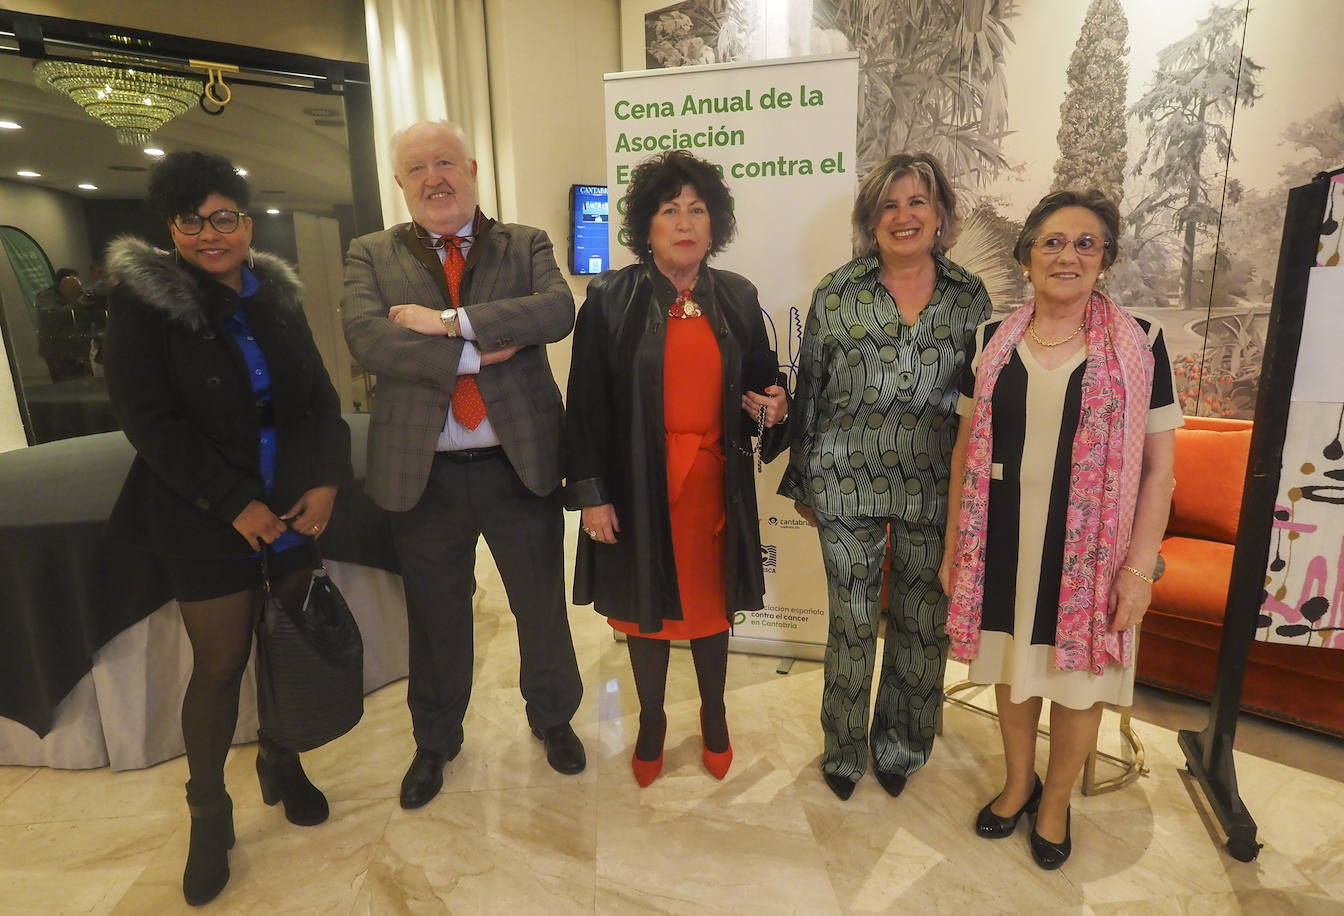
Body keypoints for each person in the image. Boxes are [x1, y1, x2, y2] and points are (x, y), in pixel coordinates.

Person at [103, 151, 353, 905]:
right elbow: (147, 421)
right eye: (192, 221)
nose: (210, 235)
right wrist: (231, 501)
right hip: (202, 512)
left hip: (289, 503)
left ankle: (282, 758)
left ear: (247, 221)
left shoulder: (274, 295)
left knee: (286, 641)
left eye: (224, 218)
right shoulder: (144, 303)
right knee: (218, 664)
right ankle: (209, 813)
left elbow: (314, 397)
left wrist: (323, 479)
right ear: (171, 227)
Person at [341, 120, 585, 811]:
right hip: (426, 474)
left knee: (539, 605)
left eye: (445, 162)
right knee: (436, 615)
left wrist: (446, 324)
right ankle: (436, 739)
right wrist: (480, 351)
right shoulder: (369, 253)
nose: (433, 178)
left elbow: (555, 311)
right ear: (400, 183)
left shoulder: (526, 242)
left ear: (472, 168)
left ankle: (553, 716)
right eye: (417, 169)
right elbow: (367, 338)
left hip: (517, 463)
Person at [940, 189, 1181, 870]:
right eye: (1050, 241)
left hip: (1094, 557)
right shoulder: (990, 341)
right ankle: (1019, 784)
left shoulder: (1142, 343)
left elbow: (1160, 470)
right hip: (1005, 540)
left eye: (1085, 243)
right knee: (1015, 671)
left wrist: (1138, 569)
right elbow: (964, 453)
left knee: (1080, 685)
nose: (1066, 255)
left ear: (1105, 260)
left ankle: (1056, 802)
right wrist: (959, 545)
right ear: (1026, 258)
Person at [564, 149, 789, 787]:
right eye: (670, 210)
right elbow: (583, 407)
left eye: (697, 210)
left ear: (714, 224)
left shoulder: (738, 297)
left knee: (712, 606)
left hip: (714, 486)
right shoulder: (610, 297)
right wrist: (592, 497)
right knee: (646, 609)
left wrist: (772, 407)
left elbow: (761, 388)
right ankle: (654, 722)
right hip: (640, 484)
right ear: (647, 226)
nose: (685, 222)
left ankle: (715, 717)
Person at [779, 152, 991, 801]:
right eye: (890, 204)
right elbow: (808, 389)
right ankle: (844, 751)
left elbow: (979, 404)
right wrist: (802, 482)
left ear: (941, 215)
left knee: (923, 622)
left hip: (935, 485)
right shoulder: (837, 292)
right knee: (850, 618)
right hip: (844, 480)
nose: (904, 216)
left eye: (918, 202)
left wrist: (975, 498)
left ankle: (902, 745)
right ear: (872, 218)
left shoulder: (968, 297)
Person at [33, 267, 94, 381]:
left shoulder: (80, 295)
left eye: (78, 282)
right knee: (66, 388)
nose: (77, 286)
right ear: (63, 283)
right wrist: (78, 305)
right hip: (58, 353)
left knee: (87, 385)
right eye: (73, 283)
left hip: (81, 351)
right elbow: (51, 318)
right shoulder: (46, 297)